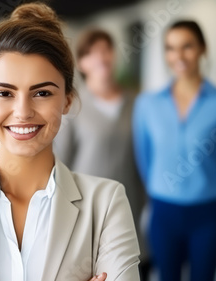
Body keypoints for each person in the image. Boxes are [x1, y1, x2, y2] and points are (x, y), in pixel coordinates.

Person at [0, 3, 140, 281]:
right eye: (5, 93)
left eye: (42, 93)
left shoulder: (106, 202)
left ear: (67, 100)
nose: (23, 111)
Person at [133, 20, 216, 281]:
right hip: (163, 214)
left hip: (207, 216)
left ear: (202, 49)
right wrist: (161, 190)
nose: (178, 56)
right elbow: (144, 159)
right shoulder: (147, 104)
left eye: (187, 47)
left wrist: (215, 206)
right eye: (170, 48)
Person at [54, 28, 149, 279]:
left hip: (133, 204)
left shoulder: (138, 103)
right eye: (92, 53)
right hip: (87, 208)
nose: (101, 57)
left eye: (106, 50)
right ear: (82, 63)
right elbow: (61, 161)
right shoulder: (72, 105)